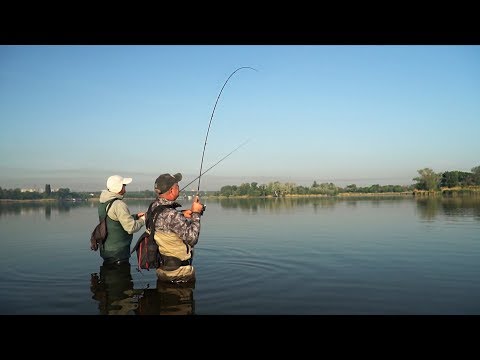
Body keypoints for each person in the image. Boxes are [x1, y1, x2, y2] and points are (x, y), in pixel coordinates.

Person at [148, 173, 204, 283]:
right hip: (179, 274)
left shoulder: (153, 207)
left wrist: (181, 214)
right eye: (177, 186)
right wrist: (196, 213)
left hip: (163, 269)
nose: (179, 187)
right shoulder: (172, 215)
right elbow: (193, 238)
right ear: (172, 190)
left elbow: (163, 217)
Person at [98, 175, 146, 265]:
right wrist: (143, 220)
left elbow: (113, 219)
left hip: (106, 251)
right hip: (119, 253)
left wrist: (135, 216)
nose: (125, 187)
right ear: (119, 188)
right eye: (124, 185)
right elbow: (131, 228)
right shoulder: (118, 204)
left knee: (107, 277)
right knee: (121, 278)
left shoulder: (103, 202)